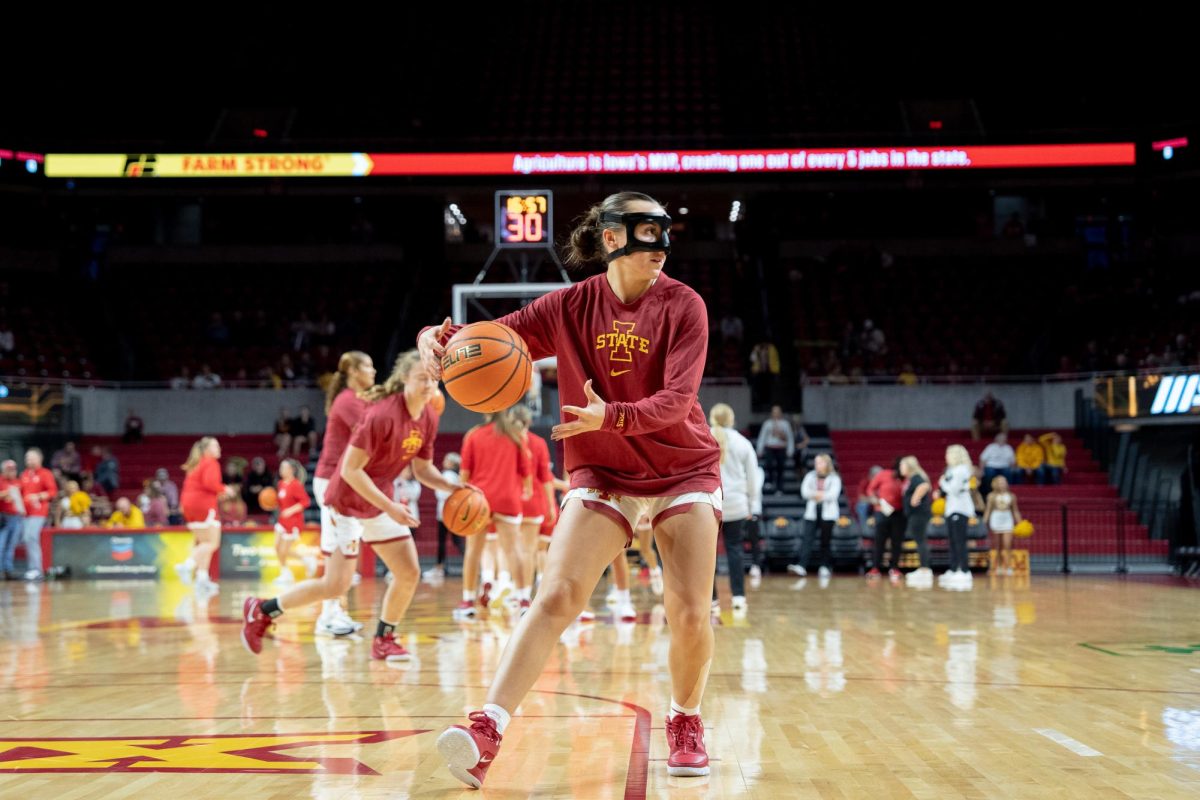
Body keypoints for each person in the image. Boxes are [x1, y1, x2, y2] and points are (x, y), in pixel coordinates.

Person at [420, 191, 722, 786]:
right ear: (611, 238)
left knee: (687, 612)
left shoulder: (685, 306)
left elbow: (678, 402)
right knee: (556, 594)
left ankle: (685, 719)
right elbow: (481, 340)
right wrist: (438, 338)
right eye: (645, 232)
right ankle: (487, 729)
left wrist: (610, 419)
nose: (659, 246)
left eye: (665, 232)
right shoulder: (566, 306)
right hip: (604, 473)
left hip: (681, 468)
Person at [241, 351, 460, 663]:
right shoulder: (382, 414)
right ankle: (262, 609)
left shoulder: (428, 417)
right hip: (346, 500)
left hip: (377, 497)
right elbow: (350, 471)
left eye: (433, 379)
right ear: (403, 381)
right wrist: (391, 506)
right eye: (421, 378)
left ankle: (384, 639)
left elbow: (423, 469)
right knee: (336, 584)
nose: (428, 385)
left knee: (409, 571)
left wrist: (455, 486)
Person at [311, 350, 375, 637]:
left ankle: (332, 612)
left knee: (340, 546)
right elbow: (372, 440)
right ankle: (330, 613)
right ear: (353, 372)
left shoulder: (358, 399)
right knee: (341, 548)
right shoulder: (349, 401)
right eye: (369, 367)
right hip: (333, 481)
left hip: (343, 481)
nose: (374, 372)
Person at [460, 409, 533, 613]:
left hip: (479, 500)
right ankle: (522, 598)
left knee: (473, 551)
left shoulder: (474, 435)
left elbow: (464, 474)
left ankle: (467, 600)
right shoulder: (515, 435)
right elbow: (526, 473)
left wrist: (463, 498)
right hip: (507, 499)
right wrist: (526, 491)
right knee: (513, 551)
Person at [709, 403, 760, 612]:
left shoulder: (703, 436)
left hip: (709, 502)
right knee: (735, 549)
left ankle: (711, 599)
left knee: (707, 553)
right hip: (736, 503)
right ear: (731, 419)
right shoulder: (743, 442)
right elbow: (753, 478)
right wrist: (752, 504)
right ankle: (738, 597)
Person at [511, 405, 557, 602]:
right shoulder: (538, 443)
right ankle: (525, 595)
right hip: (533, 500)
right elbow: (546, 477)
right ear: (529, 422)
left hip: (511, 500)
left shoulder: (506, 441)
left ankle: (510, 586)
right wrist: (550, 503)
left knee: (511, 549)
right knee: (531, 550)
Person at [175, 437, 232, 593]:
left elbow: (200, 486)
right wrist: (225, 489)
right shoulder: (211, 462)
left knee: (204, 544)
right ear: (207, 449)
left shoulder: (196, 463)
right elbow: (210, 483)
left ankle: (202, 579)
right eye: (216, 445)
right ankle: (187, 566)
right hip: (203, 505)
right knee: (212, 543)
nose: (219, 447)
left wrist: (217, 492)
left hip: (188, 505)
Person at [788, 454, 842, 580]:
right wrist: (821, 494)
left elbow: (833, 495)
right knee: (807, 539)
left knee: (825, 541)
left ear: (827, 464)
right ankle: (802, 565)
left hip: (828, 514)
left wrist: (816, 494)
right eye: (816, 462)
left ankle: (825, 566)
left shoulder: (834, 478)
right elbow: (804, 492)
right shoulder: (810, 476)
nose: (817, 465)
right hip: (812, 512)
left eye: (820, 463)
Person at [939, 444, 975, 590]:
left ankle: (964, 570)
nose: (946, 457)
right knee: (953, 540)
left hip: (960, 509)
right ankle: (954, 569)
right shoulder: (952, 470)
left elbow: (953, 489)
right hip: (951, 508)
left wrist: (942, 482)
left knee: (960, 541)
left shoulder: (961, 470)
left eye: (948, 454)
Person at [272, 458, 313, 586]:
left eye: (284, 468)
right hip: (282, 520)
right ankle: (285, 572)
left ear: (292, 470)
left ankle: (306, 559)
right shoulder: (280, 484)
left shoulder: (296, 485)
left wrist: (290, 510)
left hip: (294, 521)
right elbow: (280, 502)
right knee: (277, 547)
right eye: (280, 468)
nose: (281, 470)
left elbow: (306, 501)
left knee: (284, 550)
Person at [424, 452, 463, 583]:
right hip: (452, 512)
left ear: (452, 463)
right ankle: (441, 566)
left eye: (447, 460)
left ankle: (440, 568)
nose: (444, 461)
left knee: (448, 541)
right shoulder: (456, 476)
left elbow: (441, 494)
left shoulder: (447, 475)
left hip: (447, 513)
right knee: (456, 540)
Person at [19, 448, 57, 581]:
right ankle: (32, 568)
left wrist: (38, 496)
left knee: (31, 537)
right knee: (26, 539)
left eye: (31, 458)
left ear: (39, 459)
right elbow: (21, 492)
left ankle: (36, 569)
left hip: (39, 512)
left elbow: (52, 492)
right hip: (25, 513)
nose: (28, 460)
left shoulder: (45, 474)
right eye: (27, 458)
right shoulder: (24, 474)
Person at [864, 460, 904, 581]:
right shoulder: (883, 474)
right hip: (882, 511)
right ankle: (875, 568)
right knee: (879, 541)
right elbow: (870, 489)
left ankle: (894, 568)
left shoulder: (905, 478)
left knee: (896, 541)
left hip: (899, 513)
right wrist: (875, 500)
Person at [899, 456, 934, 588]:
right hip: (915, 514)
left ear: (909, 466)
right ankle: (924, 568)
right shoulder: (910, 479)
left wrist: (915, 497)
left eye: (902, 465)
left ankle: (925, 569)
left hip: (919, 514)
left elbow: (925, 485)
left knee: (921, 540)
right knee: (920, 539)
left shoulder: (916, 477)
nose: (900, 468)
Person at [984, 476, 1021, 575]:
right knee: (997, 545)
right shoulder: (991, 496)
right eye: (1000, 482)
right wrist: (984, 522)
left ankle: (1008, 566)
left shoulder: (1011, 496)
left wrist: (1020, 522)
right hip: (996, 518)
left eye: (1004, 482)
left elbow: (1015, 510)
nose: (1002, 484)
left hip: (1007, 519)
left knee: (1007, 544)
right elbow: (988, 510)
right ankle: (998, 566)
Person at [756, 405, 794, 494]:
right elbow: (762, 437)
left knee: (780, 467)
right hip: (770, 447)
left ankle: (779, 487)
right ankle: (770, 480)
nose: (776, 414)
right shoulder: (767, 423)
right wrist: (759, 449)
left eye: (777, 412)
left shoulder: (785, 424)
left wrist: (790, 450)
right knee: (768, 464)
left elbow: (790, 437)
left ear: (780, 413)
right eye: (774, 412)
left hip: (781, 448)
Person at [0, 459, 25, 579]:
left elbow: (22, 498)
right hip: (3, 517)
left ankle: (8, 570)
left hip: (16, 516)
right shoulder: (0, 480)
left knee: (11, 545)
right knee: (1, 544)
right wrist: (5, 494)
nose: (12, 472)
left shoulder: (18, 482)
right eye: (9, 470)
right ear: (3, 470)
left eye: (13, 470)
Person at [979, 432, 1016, 497]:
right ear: (996, 439)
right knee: (989, 473)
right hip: (991, 466)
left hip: (1004, 466)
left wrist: (1013, 468)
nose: (1002, 440)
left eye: (1003, 439)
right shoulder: (990, 447)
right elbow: (983, 459)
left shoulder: (1008, 448)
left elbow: (1013, 461)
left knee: (1008, 472)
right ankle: (990, 492)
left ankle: (1007, 492)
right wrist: (981, 470)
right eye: (1000, 439)